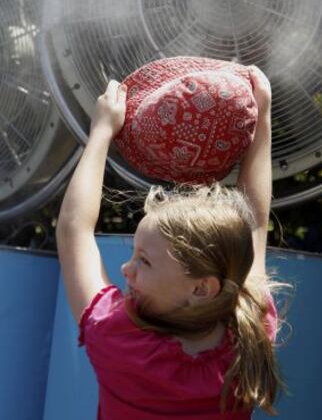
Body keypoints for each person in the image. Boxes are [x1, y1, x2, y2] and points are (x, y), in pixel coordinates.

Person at [56, 65, 284, 419]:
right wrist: (262, 122)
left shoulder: (119, 340)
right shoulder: (250, 332)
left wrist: (101, 131)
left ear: (201, 289)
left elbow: (73, 230)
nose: (125, 269)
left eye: (143, 261)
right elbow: (254, 223)